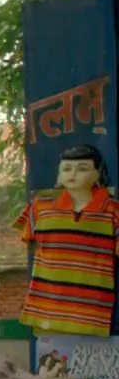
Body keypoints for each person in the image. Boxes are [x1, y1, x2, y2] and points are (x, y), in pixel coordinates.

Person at [15, 143, 119, 335]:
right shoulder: (38, 207)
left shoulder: (113, 211)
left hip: (92, 314)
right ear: (59, 175)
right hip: (45, 310)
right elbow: (30, 246)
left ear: (97, 174)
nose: (73, 174)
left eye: (82, 168)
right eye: (67, 169)